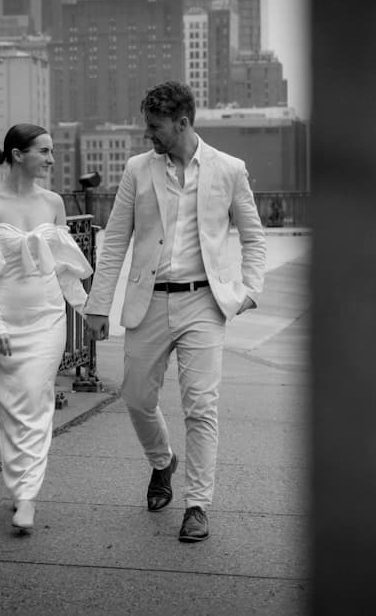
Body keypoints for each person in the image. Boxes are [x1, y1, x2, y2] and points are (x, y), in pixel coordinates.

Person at [84, 81, 267, 543]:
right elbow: (114, 243)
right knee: (137, 397)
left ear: (182, 123)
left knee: (201, 405)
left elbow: (254, 236)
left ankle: (197, 505)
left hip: (205, 302)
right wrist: (99, 304)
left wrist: (249, 290)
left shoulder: (230, 169)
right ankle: (163, 462)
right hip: (149, 301)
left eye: (155, 126)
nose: (148, 134)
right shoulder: (137, 170)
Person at [0, 123, 93, 532]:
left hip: (48, 318)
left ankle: (26, 495)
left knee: (36, 399)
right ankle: (20, 488)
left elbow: (65, 268)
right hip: (1, 322)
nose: (52, 159)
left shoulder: (53, 202)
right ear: (18, 154)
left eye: (51, 152)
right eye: (44, 151)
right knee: (13, 407)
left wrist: (86, 310)